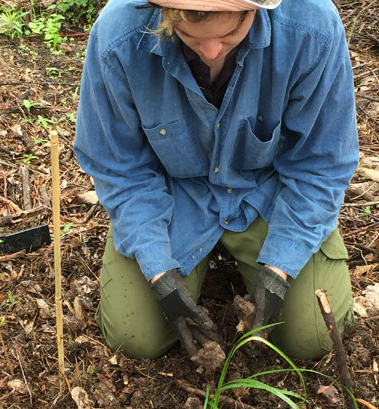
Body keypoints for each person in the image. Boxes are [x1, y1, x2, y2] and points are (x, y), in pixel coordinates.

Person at [73, 0, 359, 361]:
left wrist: (280, 269)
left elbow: (321, 163)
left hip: (268, 194)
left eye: (229, 34)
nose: (210, 51)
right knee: (134, 337)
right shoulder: (119, 33)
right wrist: (158, 271)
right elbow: (120, 167)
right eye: (190, 35)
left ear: (256, 10)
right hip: (173, 195)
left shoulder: (312, 28)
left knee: (312, 336)